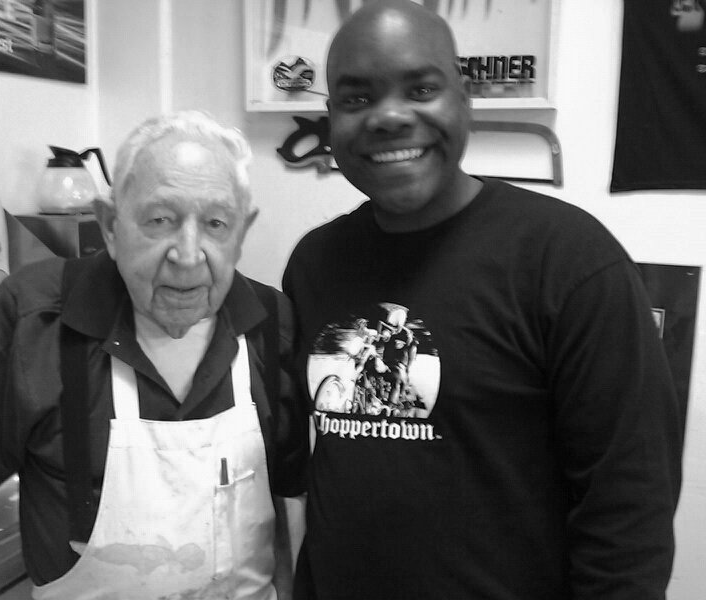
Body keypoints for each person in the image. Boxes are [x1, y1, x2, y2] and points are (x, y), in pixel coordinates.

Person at [282, 2, 683, 599]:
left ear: (464, 99)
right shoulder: (315, 263)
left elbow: (630, 508)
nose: (388, 117)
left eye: (421, 89)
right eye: (356, 98)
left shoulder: (569, 262)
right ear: (330, 118)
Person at [0, 111, 308, 599]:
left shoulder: (272, 325)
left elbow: (290, 502)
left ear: (242, 231)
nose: (187, 255)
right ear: (111, 227)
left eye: (216, 223)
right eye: (160, 220)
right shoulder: (34, 319)